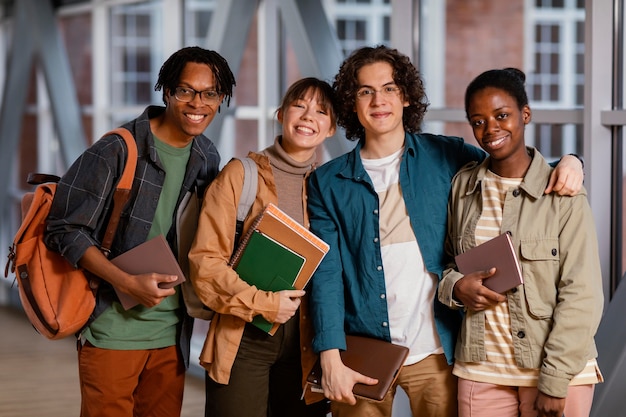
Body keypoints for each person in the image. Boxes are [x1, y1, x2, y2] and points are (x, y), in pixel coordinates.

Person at [306, 45, 585, 417]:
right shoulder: (327, 182)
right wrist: (329, 356)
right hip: (361, 350)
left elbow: (510, 163)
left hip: (437, 350)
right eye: (365, 91)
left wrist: (569, 161)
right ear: (351, 102)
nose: (379, 100)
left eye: (389, 88)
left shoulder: (447, 155)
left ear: (405, 96)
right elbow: (326, 275)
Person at [44, 46, 236, 417]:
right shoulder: (116, 149)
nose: (198, 103)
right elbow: (64, 229)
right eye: (186, 91)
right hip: (112, 331)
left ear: (221, 98)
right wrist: (126, 282)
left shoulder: (207, 156)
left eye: (210, 93)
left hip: (173, 336)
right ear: (166, 92)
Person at [438, 67, 603, 417]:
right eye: (478, 121)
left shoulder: (564, 192)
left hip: (554, 371)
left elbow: (582, 294)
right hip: (481, 369)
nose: (490, 129)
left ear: (525, 115)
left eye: (502, 116)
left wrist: (555, 380)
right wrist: (455, 287)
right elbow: (450, 263)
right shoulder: (463, 188)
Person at [187, 77, 336, 417]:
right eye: (300, 106)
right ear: (282, 114)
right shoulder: (241, 175)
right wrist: (264, 303)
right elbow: (205, 263)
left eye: (321, 111)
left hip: (307, 341)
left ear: (331, 129)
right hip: (244, 336)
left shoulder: (330, 186)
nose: (308, 116)